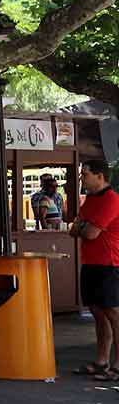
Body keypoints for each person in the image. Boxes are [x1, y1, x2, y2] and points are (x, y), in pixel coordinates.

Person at [71, 159, 119, 380]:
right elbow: (75, 227)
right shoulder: (89, 200)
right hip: (90, 262)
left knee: (113, 313)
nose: (82, 178)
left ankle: (117, 365)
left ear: (100, 176)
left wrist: (83, 227)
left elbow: (89, 232)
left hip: (109, 264)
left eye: (85, 174)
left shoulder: (111, 200)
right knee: (98, 313)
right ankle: (102, 360)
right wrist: (83, 227)